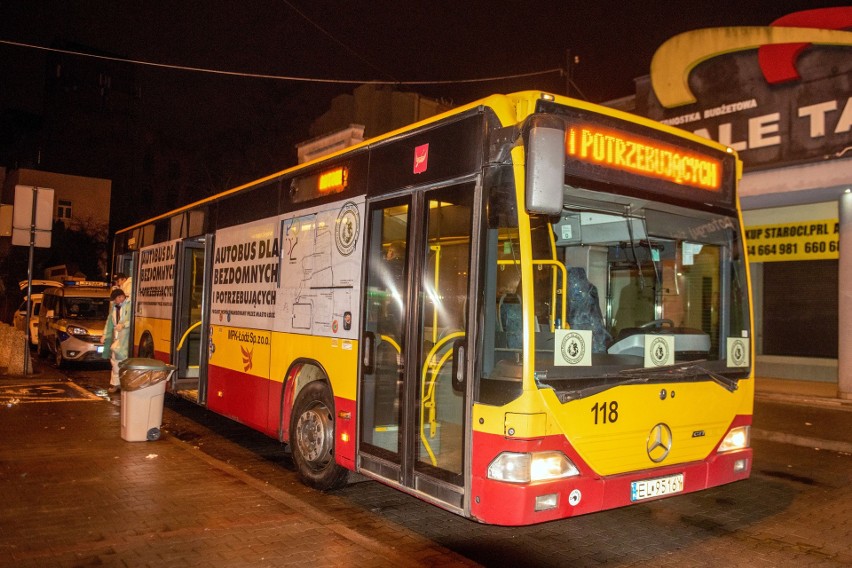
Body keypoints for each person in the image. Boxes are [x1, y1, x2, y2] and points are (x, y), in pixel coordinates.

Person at [102, 288, 131, 393]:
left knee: (121, 361)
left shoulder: (129, 305)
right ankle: (116, 384)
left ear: (121, 297)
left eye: (115, 299)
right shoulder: (114, 307)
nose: (114, 301)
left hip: (126, 337)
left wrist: (124, 325)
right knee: (115, 361)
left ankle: (120, 384)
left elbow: (133, 319)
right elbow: (109, 321)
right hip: (117, 337)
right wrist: (105, 335)